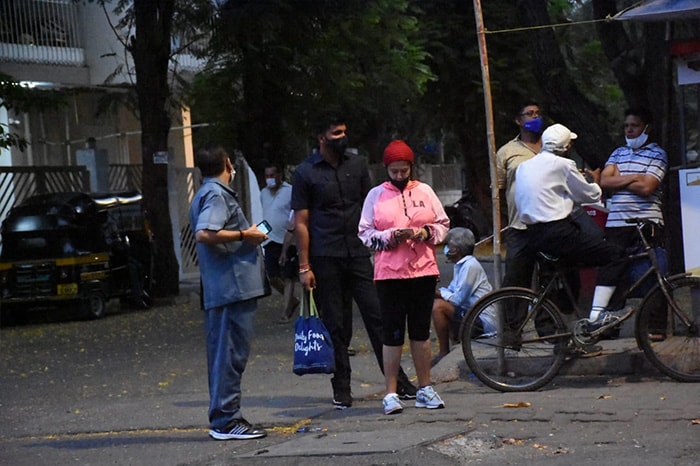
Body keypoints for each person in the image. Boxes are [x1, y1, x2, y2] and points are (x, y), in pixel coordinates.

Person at [292, 113, 417, 410]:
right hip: (325, 256)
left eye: (345, 131)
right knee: (336, 323)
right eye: (337, 133)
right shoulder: (305, 172)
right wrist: (304, 266)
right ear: (322, 137)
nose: (343, 137)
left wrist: (383, 242)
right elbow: (301, 221)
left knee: (378, 316)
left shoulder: (357, 166)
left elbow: (373, 205)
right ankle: (342, 387)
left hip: (359, 253)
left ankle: (397, 380)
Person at [514, 124, 627, 349]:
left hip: (533, 234)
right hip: (558, 233)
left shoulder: (525, 166)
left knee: (570, 275)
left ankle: (570, 334)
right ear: (566, 147)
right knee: (615, 255)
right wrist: (593, 180)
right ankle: (596, 319)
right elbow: (589, 194)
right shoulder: (564, 165)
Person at [358, 139, 450, 415]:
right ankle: (390, 391)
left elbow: (443, 224)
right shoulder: (376, 195)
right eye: (394, 171)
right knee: (392, 332)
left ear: (411, 167)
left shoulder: (425, 191)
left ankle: (425, 387)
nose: (399, 176)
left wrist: (425, 233)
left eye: (404, 170)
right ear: (387, 169)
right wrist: (389, 236)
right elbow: (365, 233)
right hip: (389, 274)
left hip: (422, 269)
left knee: (421, 331)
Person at [189, 145, 269, 441]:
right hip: (230, 288)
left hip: (228, 288)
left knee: (227, 355)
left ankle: (226, 416)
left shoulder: (208, 192)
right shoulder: (216, 194)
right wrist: (244, 234)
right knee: (229, 356)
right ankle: (225, 420)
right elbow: (204, 232)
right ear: (226, 164)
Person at [595, 108, 667, 338]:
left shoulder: (657, 154)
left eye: (634, 125)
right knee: (612, 272)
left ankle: (655, 327)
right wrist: (635, 177)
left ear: (646, 128)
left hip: (646, 222)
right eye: (626, 126)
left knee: (655, 271)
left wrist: (620, 180)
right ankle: (608, 325)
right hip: (616, 223)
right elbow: (604, 181)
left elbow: (648, 187)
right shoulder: (617, 153)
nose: (629, 130)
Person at [496, 101, 543, 290]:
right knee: (516, 279)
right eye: (529, 113)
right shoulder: (507, 152)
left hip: (550, 224)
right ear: (518, 120)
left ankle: (547, 319)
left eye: (538, 113)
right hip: (519, 227)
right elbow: (498, 190)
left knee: (550, 277)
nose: (535, 117)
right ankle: (515, 320)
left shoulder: (552, 145)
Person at [431, 227, 495, 366]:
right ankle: (454, 344)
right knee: (437, 301)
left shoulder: (470, 266)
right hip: (470, 314)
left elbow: (458, 299)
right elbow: (451, 291)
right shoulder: (460, 265)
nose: (446, 249)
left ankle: (444, 352)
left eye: (448, 246)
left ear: (455, 249)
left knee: (438, 307)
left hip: (483, 322)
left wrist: (441, 293)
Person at [260, 162, 299, 322]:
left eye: (272, 175)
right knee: (272, 275)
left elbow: (294, 214)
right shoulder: (263, 193)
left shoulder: (289, 191)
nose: (270, 179)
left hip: (287, 240)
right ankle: (291, 300)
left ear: (279, 175)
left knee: (289, 275)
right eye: (267, 176)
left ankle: (286, 311)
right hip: (270, 239)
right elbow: (265, 215)